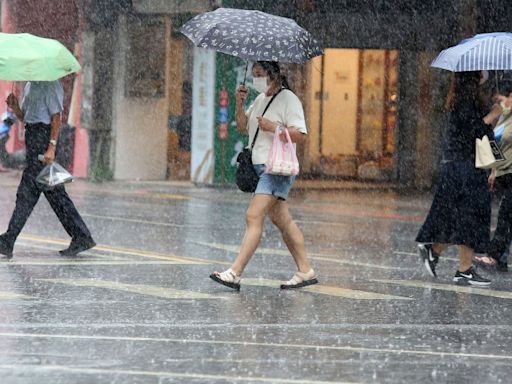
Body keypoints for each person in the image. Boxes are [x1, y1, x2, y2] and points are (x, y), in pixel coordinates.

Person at [210, 61, 317, 290]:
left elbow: (301, 134)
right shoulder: (259, 100)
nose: (255, 79)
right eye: (254, 74)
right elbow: (242, 126)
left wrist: (274, 128)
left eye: (260, 74)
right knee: (283, 220)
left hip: (275, 168)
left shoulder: (289, 99)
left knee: (253, 216)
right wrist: (239, 104)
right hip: (259, 169)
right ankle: (305, 270)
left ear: (274, 75)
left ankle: (235, 272)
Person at [416, 71, 504, 286]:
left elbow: (483, 133)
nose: (485, 73)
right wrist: (493, 115)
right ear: (473, 75)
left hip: (463, 167)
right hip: (464, 167)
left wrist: (494, 166)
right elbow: (474, 132)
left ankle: (442, 254)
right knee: (471, 217)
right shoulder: (466, 98)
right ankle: (461, 268)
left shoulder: (469, 96)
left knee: (464, 218)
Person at [0, 81, 95, 259]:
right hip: (32, 137)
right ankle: (82, 236)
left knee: (27, 193)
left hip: (43, 140)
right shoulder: (29, 85)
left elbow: (56, 117)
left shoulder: (51, 85)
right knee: (55, 195)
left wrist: (51, 147)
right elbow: (26, 117)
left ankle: (8, 240)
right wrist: (15, 107)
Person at [474, 77, 512, 272]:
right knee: (506, 215)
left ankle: (494, 255)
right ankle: (499, 256)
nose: (502, 102)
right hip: (506, 173)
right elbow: (496, 143)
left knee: (506, 214)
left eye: (505, 98)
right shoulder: (505, 116)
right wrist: (495, 170)